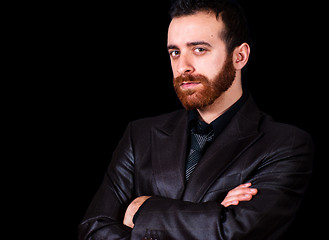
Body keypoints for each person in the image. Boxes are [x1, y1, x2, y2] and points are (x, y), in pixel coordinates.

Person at [78, 0, 313, 239]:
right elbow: (93, 229)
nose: (183, 67)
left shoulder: (286, 144)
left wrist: (141, 210)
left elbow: (234, 232)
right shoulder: (139, 136)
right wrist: (212, 214)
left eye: (199, 49)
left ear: (239, 56)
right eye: (175, 52)